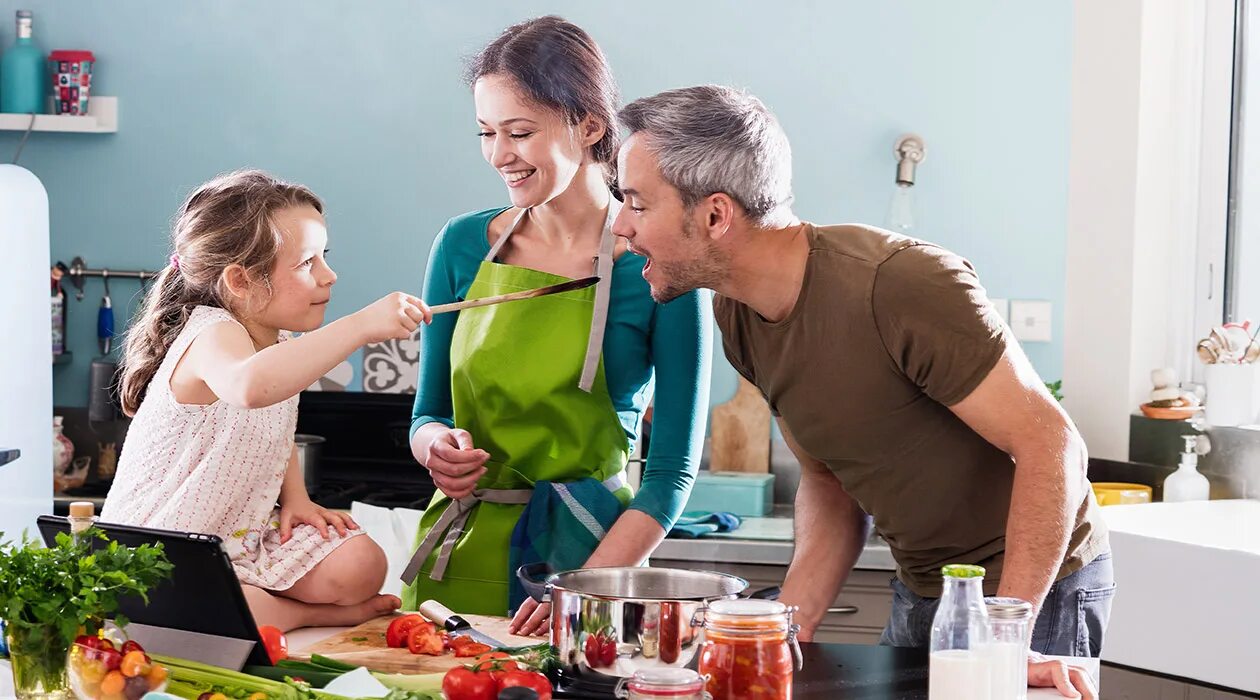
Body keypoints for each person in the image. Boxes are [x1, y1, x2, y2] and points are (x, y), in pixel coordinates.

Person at [611, 85, 1109, 698]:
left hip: (1031, 595)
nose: (620, 227)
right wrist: (783, 633)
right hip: (926, 586)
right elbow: (827, 481)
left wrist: (1002, 641)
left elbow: (1052, 447)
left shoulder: (899, 285)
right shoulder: (738, 316)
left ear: (716, 215)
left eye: (635, 203)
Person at [402, 17, 712, 634]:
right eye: (486, 133)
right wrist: (434, 449)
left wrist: (583, 591)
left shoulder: (659, 261)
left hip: (592, 565)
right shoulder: (463, 245)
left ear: (590, 125)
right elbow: (427, 412)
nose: (499, 156)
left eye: (519, 132)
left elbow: (672, 471)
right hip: (458, 559)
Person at [103, 169, 432, 631]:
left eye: (325, 257)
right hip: (162, 548)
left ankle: (260, 601)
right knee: (212, 606)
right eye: (307, 263)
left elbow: (272, 427)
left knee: (361, 562)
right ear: (240, 280)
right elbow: (250, 387)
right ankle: (297, 614)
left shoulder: (278, 345)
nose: (329, 276)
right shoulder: (210, 334)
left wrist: (295, 497)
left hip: (239, 534)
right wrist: (359, 326)